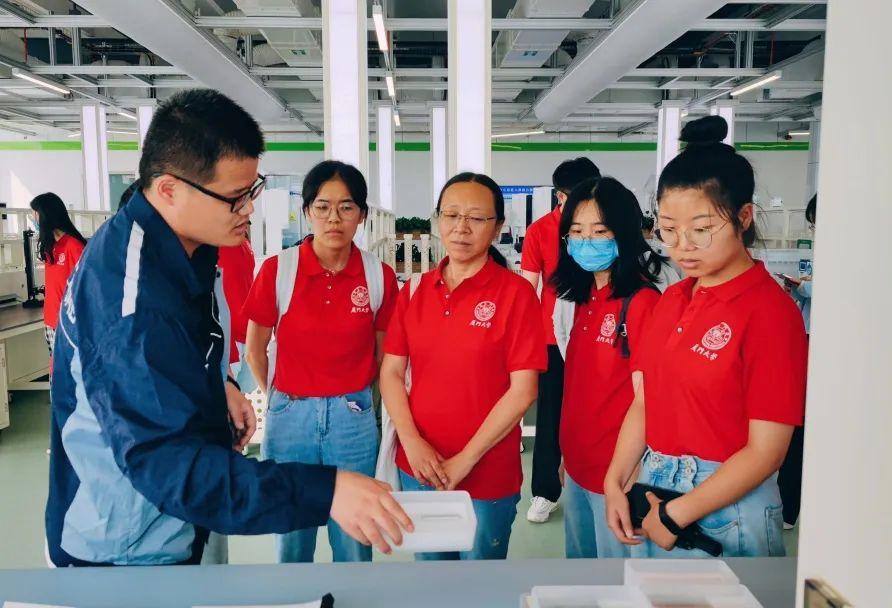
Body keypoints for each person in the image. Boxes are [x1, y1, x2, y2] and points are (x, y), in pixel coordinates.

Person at [45, 89, 411, 567]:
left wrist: (219, 387)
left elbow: (172, 359)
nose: (249, 210)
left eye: (251, 191)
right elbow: (170, 468)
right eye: (236, 197)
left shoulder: (181, 247)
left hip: (175, 522)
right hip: (125, 543)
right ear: (169, 189)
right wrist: (327, 491)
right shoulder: (131, 303)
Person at [603, 116, 808, 558]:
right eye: (668, 229)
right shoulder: (670, 301)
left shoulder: (770, 313)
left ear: (743, 217)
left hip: (725, 506)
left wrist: (677, 514)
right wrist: (616, 479)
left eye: (701, 229)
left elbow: (766, 451)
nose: (682, 245)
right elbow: (645, 402)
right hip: (655, 486)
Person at [380, 172, 547, 560]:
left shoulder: (516, 294)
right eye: (451, 215)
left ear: (498, 227)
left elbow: (523, 390)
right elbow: (391, 373)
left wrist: (464, 461)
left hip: (488, 474)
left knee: (480, 582)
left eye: (476, 218)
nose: (461, 228)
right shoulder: (415, 291)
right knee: (431, 576)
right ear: (438, 219)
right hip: (420, 467)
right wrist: (412, 442)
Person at [243, 160, 399, 563]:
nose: (334, 218)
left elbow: (383, 354)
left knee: (355, 537)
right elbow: (255, 349)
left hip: (353, 418)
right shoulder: (278, 270)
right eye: (323, 207)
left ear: (362, 215)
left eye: (346, 207)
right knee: (291, 532)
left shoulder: (378, 276)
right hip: (289, 417)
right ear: (307, 211)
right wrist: (279, 397)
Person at [550, 177, 663, 559]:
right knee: (581, 576)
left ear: (624, 234)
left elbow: (649, 400)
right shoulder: (584, 299)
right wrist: (567, 457)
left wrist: (628, 472)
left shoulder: (642, 303)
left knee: (614, 581)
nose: (587, 241)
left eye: (600, 231)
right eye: (576, 231)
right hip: (578, 468)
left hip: (618, 476)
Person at [521, 157, 600, 524]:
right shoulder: (540, 231)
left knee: (599, 413)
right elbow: (528, 289)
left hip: (599, 336)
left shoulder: (604, 229)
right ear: (560, 196)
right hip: (552, 340)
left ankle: (599, 486)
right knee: (551, 416)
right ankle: (545, 492)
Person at [777, 192, 816, 530]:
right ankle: (788, 508)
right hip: (807, 341)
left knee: (799, 431)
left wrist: (805, 289)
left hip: (820, 347)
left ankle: (789, 509)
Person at [29, 193, 87, 357]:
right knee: (55, 368)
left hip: (68, 324)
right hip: (50, 320)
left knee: (69, 369)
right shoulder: (50, 247)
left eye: (35, 214)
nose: (33, 219)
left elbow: (85, 288)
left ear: (46, 215)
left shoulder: (73, 246)